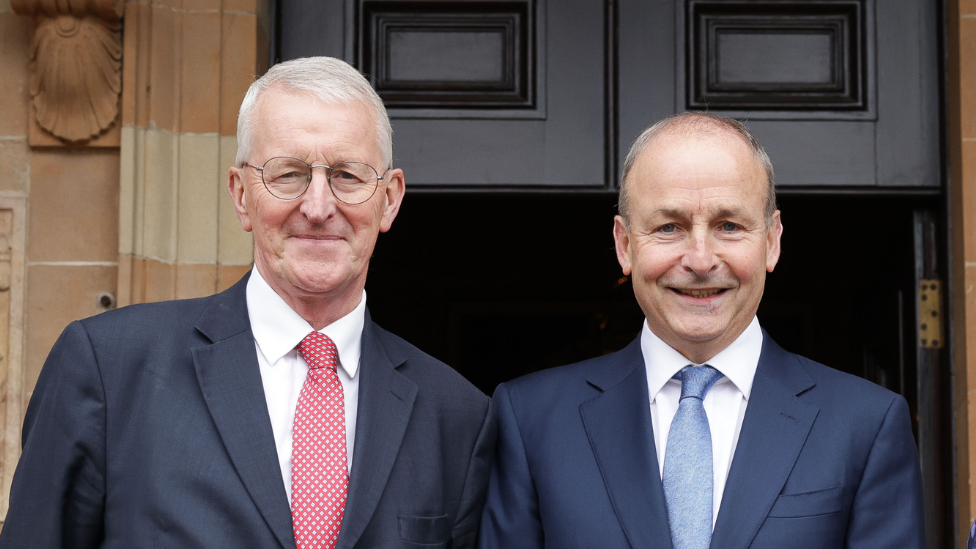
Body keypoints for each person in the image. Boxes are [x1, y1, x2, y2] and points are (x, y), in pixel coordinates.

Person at [1, 57, 494, 549]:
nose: (319, 207)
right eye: (288, 174)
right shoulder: (111, 369)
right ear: (241, 195)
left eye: (347, 175)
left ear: (389, 199)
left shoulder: (457, 416)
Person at [477, 112, 924, 548]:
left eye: (728, 226)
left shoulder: (866, 424)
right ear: (624, 244)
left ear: (771, 241)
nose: (700, 259)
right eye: (669, 227)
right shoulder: (531, 419)